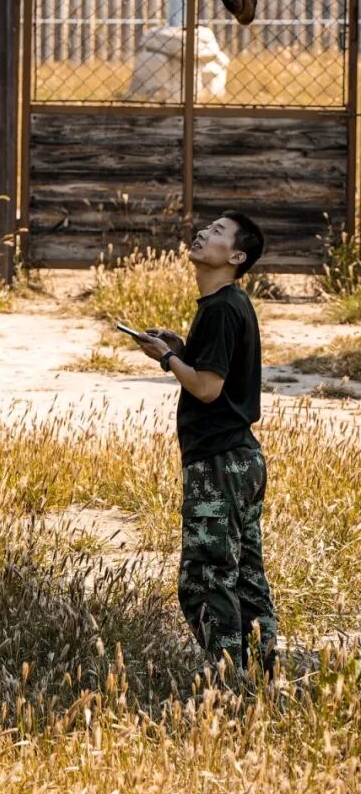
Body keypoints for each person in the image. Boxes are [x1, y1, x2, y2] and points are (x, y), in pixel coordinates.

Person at [135, 212, 278, 677]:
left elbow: (207, 389)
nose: (202, 233)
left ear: (236, 257)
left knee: (205, 580)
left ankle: (229, 681)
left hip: (219, 463)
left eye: (218, 232)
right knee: (245, 578)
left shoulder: (219, 308)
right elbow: (217, 371)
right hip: (242, 460)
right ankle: (261, 675)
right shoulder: (228, 304)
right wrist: (183, 349)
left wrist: (169, 357)